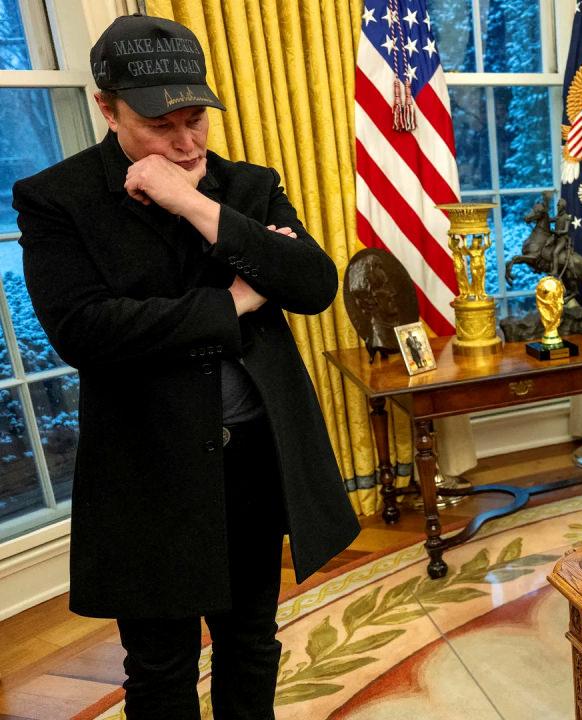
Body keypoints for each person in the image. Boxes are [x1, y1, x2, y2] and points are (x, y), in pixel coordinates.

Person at [12, 14, 359, 719]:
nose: (186, 141)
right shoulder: (58, 200)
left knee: (251, 640)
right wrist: (235, 300)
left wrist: (194, 205)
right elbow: (85, 331)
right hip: (147, 467)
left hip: (255, 456)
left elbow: (314, 284)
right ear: (107, 109)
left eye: (195, 118)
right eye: (159, 125)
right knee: (161, 666)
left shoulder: (247, 185)